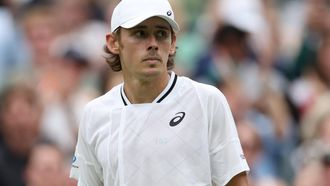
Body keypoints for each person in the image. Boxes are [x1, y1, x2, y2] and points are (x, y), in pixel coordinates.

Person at [70, 0, 249, 185]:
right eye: (140, 33)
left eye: (161, 34)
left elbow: (236, 182)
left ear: (172, 42)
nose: (153, 44)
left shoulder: (207, 101)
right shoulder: (94, 114)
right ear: (113, 43)